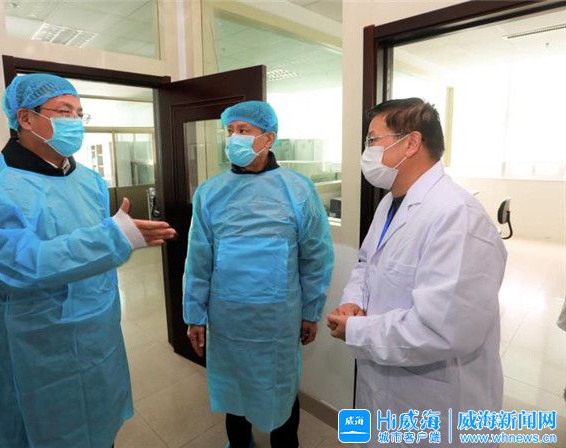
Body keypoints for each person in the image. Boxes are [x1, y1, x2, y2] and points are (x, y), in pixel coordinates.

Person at [0, 73, 177, 448]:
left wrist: (114, 240)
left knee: (100, 423)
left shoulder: (89, 181)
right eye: (63, 111)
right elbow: (12, 268)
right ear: (25, 118)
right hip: (39, 341)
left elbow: (96, 260)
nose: (75, 121)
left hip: (99, 332)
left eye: (79, 113)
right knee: (49, 431)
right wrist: (112, 238)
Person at [327, 98, 507, 447]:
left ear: (411, 143)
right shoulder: (390, 202)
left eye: (372, 140)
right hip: (385, 385)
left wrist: (357, 329)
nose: (367, 151)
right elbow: (367, 264)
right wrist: (353, 302)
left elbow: (444, 330)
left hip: (438, 405)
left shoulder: (458, 216)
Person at [183, 101, 334, 448]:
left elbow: (315, 257)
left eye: (243, 130)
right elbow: (199, 260)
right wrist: (194, 315)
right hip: (228, 320)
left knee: (281, 391)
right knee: (234, 391)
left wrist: (311, 312)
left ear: (268, 138)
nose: (233, 137)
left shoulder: (297, 190)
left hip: (277, 322)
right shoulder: (210, 193)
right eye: (229, 130)